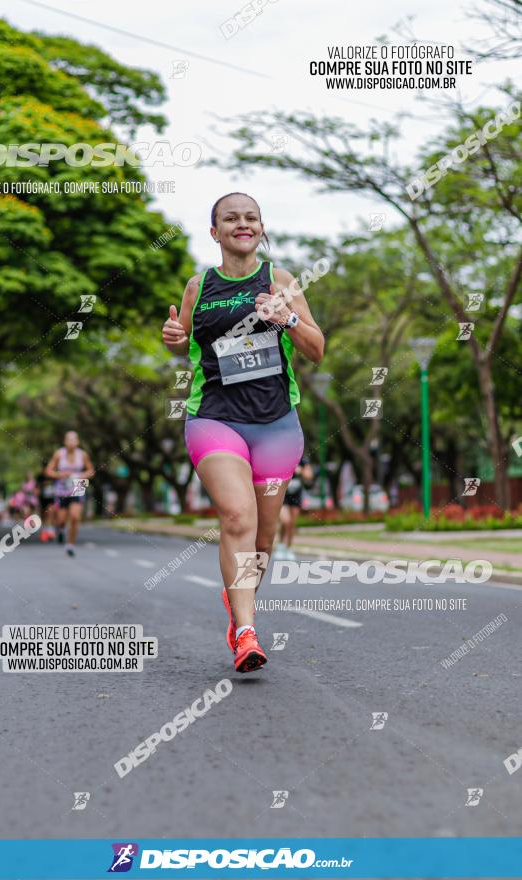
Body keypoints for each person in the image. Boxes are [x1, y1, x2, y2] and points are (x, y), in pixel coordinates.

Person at [162, 192, 324, 673]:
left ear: (260, 227)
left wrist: (287, 318)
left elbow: (316, 349)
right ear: (215, 232)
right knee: (237, 517)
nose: (242, 224)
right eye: (230, 218)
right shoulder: (199, 285)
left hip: (276, 422)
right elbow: (182, 339)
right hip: (214, 417)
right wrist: (172, 338)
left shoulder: (281, 280)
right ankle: (248, 634)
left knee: (264, 539)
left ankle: (239, 612)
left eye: (250, 217)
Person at [45, 431, 94, 556]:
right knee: (61, 519)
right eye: (69, 440)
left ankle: (70, 545)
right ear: (65, 441)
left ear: (77, 442)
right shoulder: (59, 454)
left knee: (75, 517)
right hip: (61, 488)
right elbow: (48, 471)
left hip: (78, 485)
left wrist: (81, 475)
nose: (71, 442)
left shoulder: (82, 455)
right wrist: (60, 474)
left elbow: (91, 471)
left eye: (74, 440)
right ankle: (60, 529)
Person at [275, 456, 314, 561]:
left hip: (296, 495)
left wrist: (300, 470)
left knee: (292, 523)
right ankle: (280, 546)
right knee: (285, 520)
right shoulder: (282, 457)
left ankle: (288, 548)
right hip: (283, 494)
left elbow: (309, 475)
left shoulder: (302, 459)